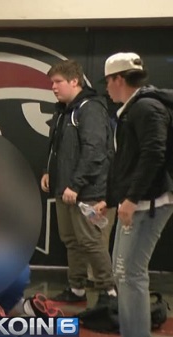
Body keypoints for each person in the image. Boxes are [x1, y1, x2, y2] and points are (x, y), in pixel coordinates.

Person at [94, 52, 173, 337]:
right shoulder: (135, 108)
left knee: (131, 274)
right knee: (124, 275)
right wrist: (113, 199)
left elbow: (153, 154)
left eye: (108, 81)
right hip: (140, 201)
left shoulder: (145, 108)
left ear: (118, 78)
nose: (106, 88)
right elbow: (130, 160)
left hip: (148, 203)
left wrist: (130, 199)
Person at [40, 59, 117, 306]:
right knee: (71, 241)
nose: (53, 87)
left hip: (86, 191)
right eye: (52, 82)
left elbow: (95, 151)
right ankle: (77, 289)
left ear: (74, 81)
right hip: (65, 188)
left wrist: (76, 184)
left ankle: (109, 292)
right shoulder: (64, 110)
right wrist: (49, 171)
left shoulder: (90, 108)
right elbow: (60, 148)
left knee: (90, 241)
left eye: (58, 82)